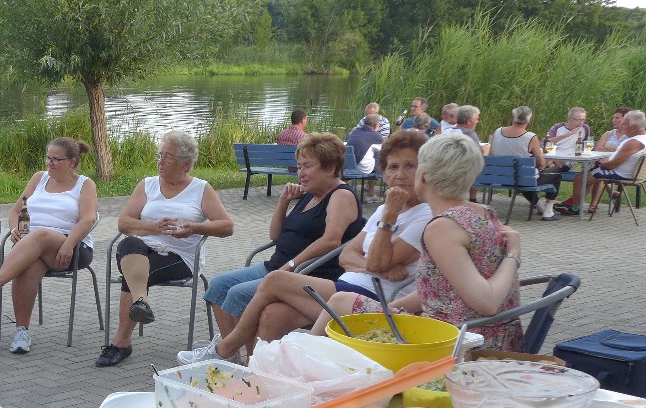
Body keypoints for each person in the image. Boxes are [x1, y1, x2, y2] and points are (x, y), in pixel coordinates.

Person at [180, 132, 430, 363]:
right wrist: (375, 266)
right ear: (384, 174)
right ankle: (257, 373)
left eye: (410, 166)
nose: (400, 175)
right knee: (271, 315)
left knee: (275, 280)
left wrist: (389, 219)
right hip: (340, 287)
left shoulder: (422, 215)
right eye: (393, 167)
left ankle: (224, 350)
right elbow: (347, 255)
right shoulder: (379, 209)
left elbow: (348, 249)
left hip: (370, 300)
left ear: (425, 172)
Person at [323, 134, 523, 351]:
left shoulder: (443, 227)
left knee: (340, 302)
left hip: (457, 341)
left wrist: (513, 254)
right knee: (343, 305)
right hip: (492, 335)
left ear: (424, 176)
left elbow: (488, 302)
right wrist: (389, 309)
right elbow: (441, 289)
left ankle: (308, 364)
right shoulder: (484, 212)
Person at [202, 132, 365, 353]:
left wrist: (291, 265)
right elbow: (275, 236)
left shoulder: (340, 195)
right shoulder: (310, 194)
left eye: (307, 166)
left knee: (237, 294)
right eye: (299, 167)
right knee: (218, 286)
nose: (301, 173)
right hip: (276, 266)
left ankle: (245, 357)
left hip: (309, 274)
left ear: (330, 168)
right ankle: (231, 359)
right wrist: (283, 201)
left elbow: (331, 240)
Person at [97, 130, 234, 368]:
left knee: (133, 273)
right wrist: (153, 227)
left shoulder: (201, 189)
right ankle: (140, 304)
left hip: (180, 256)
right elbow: (124, 223)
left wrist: (196, 228)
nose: (161, 161)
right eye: (160, 155)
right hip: (142, 248)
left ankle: (121, 342)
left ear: (186, 164)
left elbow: (227, 226)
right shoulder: (147, 185)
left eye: (168, 157)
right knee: (128, 244)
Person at [0, 137, 98, 355]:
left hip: (72, 247)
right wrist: (14, 229)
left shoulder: (85, 184)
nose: (50, 163)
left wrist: (68, 244)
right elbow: (15, 212)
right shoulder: (39, 178)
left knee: (40, 234)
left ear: (72, 162)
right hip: (33, 246)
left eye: (56, 159)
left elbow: (88, 219)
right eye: (48, 158)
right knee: (27, 266)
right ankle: (21, 332)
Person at [488, 106, 561, 220]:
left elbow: (491, 154)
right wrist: (545, 164)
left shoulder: (498, 131)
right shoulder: (530, 137)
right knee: (556, 172)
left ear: (513, 118)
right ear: (528, 120)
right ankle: (548, 211)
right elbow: (541, 163)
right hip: (521, 178)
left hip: (500, 177)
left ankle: (539, 206)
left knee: (525, 178)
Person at [586, 110, 646, 213]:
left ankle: (574, 206)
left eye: (624, 124)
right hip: (632, 174)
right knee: (593, 174)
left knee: (581, 179)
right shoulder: (641, 139)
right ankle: (580, 204)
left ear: (634, 127)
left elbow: (612, 165)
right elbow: (599, 148)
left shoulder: (633, 142)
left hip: (620, 173)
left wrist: (601, 164)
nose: (622, 126)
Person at [545, 107, 593, 215]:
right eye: (578, 120)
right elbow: (547, 141)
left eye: (583, 120)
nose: (580, 123)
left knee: (547, 166)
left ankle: (546, 204)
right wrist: (566, 135)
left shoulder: (585, 128)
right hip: (555, 158)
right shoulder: (558, 127)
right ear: (569, 119)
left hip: (569, 161)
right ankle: (547, 205)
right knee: (551, 168)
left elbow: (585, 145)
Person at [344, 114, 384, 181]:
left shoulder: (354, 132)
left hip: (348, 169)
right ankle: (371, 187)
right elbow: (384, 149)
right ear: (375, 125)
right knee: (377, 158)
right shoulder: (376, 135)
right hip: (364, 169)